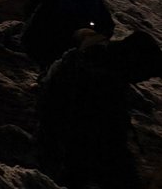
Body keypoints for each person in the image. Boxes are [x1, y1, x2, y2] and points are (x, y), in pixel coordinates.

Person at [36, 28, 162, 188]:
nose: (144, 78)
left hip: (60, 137)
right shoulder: (102, 80)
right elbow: (109, 139)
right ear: (136, 63)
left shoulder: (100, 59)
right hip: (65, 146)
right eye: (147, 73)